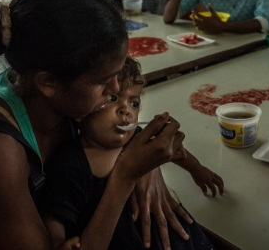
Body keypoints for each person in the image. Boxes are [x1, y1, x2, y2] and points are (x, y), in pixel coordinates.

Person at [0, 0, 190, 249]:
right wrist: (126, 174)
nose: (114, 89)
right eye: (103, 81)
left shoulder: (45, 89)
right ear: (48, 83)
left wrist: (144, 162)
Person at [39, 57, 222, 249]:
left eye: (134, 103)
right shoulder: (70, 165)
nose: (126, 110)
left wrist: (197, 169)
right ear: (83, 108)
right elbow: (54, 217)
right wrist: (59, 243)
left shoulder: (138, 138)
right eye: (112, 98)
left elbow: (173, 149)